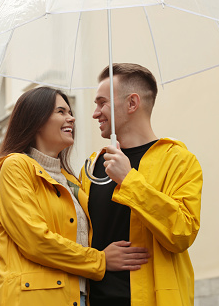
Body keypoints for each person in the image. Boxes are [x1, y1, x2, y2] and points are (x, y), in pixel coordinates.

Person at [0, 86, 150, 306]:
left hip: (76, 297)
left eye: (70, 112)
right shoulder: (16, 166)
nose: (71, 118)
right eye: (61, 112)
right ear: (36, 119)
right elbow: (35, 241)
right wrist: (100, 260)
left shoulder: (72, 180)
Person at [80, 63, 203, 306]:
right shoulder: (93, 167)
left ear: (132, 103)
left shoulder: (178, 160)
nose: (95, 113)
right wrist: (100, 259)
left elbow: (182, 233)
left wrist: (129, 180)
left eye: (102, 102)